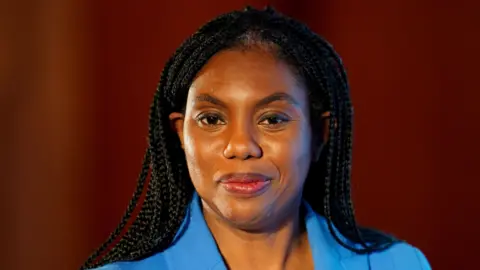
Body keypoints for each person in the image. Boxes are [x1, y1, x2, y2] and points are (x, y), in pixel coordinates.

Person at [82, 6, 431, 270]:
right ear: (180, 135)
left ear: (319, 134)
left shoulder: (399, 265)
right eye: (211, 119)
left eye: (272, 119)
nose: (241, 146)